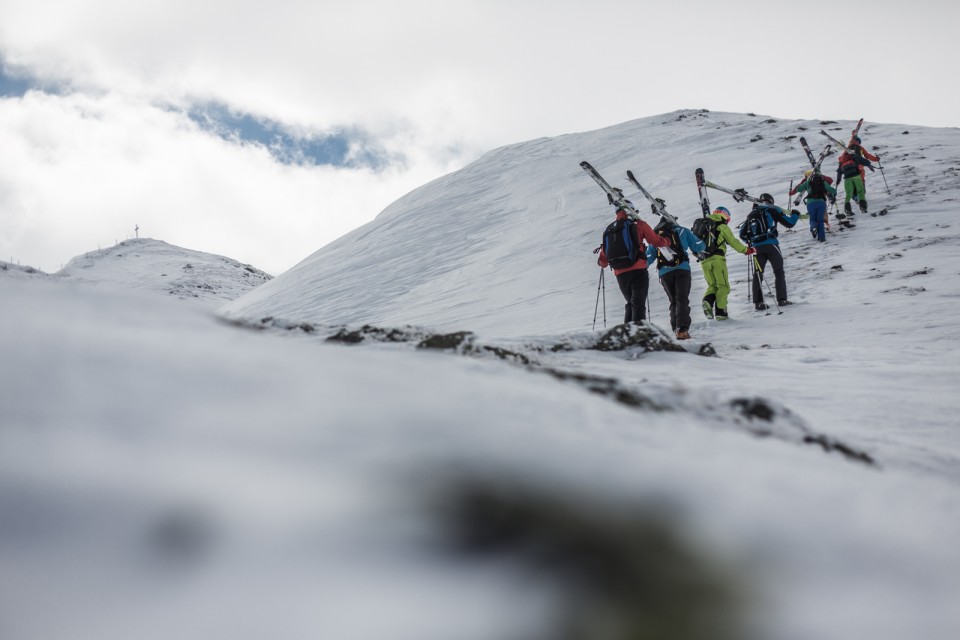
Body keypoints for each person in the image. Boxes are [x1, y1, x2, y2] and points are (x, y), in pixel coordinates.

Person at [597, 207, 672, 324]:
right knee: (638, 304)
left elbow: (603, 260)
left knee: (630, 303)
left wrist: (602, 262)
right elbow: (655, 241)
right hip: (638, 270)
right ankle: (639, 336)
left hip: (620, 274)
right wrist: (668, 241)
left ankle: (628, 336)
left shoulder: (609, 229)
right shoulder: (639, 224)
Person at [645, 218, 705, 340]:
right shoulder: (683, 231)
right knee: (682, 298)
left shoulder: (655, 236)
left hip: (664, 272)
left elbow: (649, 257)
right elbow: (699, 247)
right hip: (682, 269)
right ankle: (682, 330)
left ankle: (676, 328)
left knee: (673, 300)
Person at [738, 194, 800, 310]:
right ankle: (782, 300)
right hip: (771, 245)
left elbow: (742, 234)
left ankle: (758, 303)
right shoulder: (772, 210)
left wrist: (751, 242)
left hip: (757, 248)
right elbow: (789, 223)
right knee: (779, 272)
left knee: (758, 274)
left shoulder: (751, 215)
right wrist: (796, 214)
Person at [697, 206, 754, 321]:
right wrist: (746, 250)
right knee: (723, 286)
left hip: (704, 261)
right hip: (717, 260)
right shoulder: (721, 226)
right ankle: (721, 313)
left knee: (712, 285)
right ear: (725, 215)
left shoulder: (703, 226)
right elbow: (733, 241)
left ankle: (707, 301)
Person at [836, 135, 879, 217]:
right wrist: (873, 161)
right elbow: (865, 158)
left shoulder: (843, 157)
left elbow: (839, 170)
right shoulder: (857, 151)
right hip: (857, 173)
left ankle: (848, 210)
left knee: (848, 194)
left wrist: (838, 180)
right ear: (858, 142)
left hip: (847, 177)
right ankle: (863, 207)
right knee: (861, 191)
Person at [791, 169, 837, 242]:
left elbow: (799, 189)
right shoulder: (823, 181)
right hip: (821, 203)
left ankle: (814, 227)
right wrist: (834, 192)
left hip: (811, 203)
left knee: (812, 219)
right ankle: (822, 238)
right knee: (820, 221)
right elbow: (831, 189)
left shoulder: (808, 182)